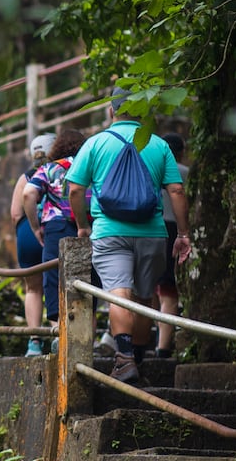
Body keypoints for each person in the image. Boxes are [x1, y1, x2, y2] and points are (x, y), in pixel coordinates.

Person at [67, 89, 191, 385]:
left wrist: (83, 226)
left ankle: (123, 359)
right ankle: (136, 360)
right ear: (142, 112)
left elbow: (74, 189)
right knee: (144, 297)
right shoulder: (158, 145)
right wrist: (183, 233)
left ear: (112, 111)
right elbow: (176, 190)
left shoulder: (96, 143)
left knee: (118, 292)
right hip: (152, 232)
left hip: (110, 232)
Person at [22, 129, 87, 333]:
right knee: (85, 281)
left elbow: (28, 193)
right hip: (86, 226)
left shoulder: (49, 168)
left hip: (55, 226)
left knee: (54, 278)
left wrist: (35, 227)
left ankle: (59, 333)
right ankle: (86, 336)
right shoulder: (89, 165)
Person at [10, 132, 54, 355]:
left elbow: (15, 213)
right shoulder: (60, 172)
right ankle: (58, 335)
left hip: (27, 233)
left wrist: (26, 230)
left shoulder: (26, 177)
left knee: (33, 288)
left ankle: (34, 341)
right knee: (58, 284)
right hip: (53, 232)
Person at [155, 132, 189, 358]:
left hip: (152, 228)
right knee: (169, 292)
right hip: (175, 230)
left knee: (148, 289)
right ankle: (163, 347)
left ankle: (139, 342)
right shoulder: (185, 172)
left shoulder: (152, 170)